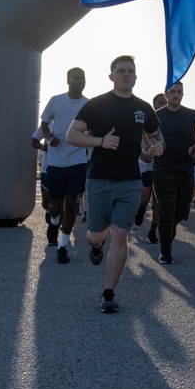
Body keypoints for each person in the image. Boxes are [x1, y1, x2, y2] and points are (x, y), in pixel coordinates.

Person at [66, 56, 164, 312]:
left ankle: (108, 291)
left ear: (135, 76)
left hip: (130, 180)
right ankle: (96, 246)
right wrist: (100, 142)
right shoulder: (96, 105)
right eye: (121, 71)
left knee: (120, 235)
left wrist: (158, 145)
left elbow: (155, 135)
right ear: (112, 76)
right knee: (96, 235)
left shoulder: (144, 108)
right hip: (99, 178)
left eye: (131, 71)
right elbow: (71, 135)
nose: (126, 75)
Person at [40, 67, 90, 264]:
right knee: (54, 206)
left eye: (83, 78)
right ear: (68, 80)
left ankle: (62, 247)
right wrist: (50, 137)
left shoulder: (88, 104)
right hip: (56, 162)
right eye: (76, 78)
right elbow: (44, 125)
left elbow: (93, 129)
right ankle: (53, 222)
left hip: (78, 161)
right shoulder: (56, 101)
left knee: (71, 204)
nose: (80, 81)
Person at [152, 82, 195, 265]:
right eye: (173, 92)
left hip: (186, 168)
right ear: (166, 94)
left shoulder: (193, 115)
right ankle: (165, 250)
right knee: (166, 209)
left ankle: (167, 229)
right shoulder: (156, 116)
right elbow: (144, 136)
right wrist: (147, 150)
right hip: (163, 168)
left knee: (183, 211)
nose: (176, 95)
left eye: (180, 92)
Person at [138, 93, 168, 244]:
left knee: (157, 202)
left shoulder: (169, 120)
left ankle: (152, 230)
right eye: (160, 102)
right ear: (154, 105)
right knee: (144, 197)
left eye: (165, 102)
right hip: (146, 165)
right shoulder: (148, 119)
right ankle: (141, 210)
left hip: (161, 166)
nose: (163, 104)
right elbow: (142, 140)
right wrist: (147, 150)